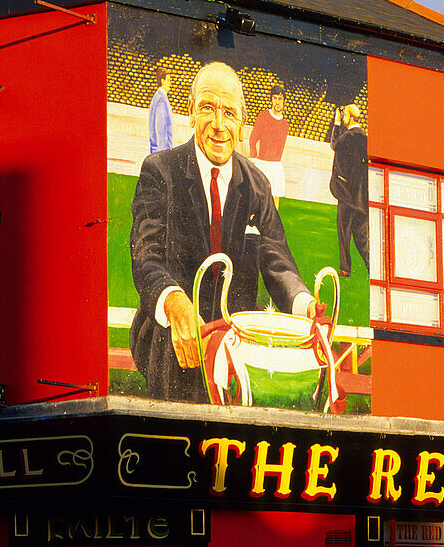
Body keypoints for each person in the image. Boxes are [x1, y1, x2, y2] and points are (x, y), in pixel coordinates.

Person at [129, 62, 314, 402]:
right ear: (190, 112)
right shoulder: (159, 171)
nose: (218, 124)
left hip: (236, 347)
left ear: (243, 124)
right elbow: (146, 256)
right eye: (207, 108)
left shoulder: (258, 184)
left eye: (229, 113)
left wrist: (304, 303)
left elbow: (275, 257)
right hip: (174, 341)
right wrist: (173, 301)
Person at [328, 104, 370, 277]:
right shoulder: (364, 137)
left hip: (346, 194)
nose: (343, 117)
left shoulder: (349, 136)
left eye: (344, 114)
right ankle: (372, 267)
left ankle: (345, 268)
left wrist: (336, 124)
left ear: (350, 117)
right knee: (361, 237)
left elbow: (334, 144)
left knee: (343, 232)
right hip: (361, 197)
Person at [248, 85, 290, 202]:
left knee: (274, 201)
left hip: (276, 166)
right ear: (271, 100)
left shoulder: (285, 125)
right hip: (262, 164)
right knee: (257, 200)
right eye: (275, 98)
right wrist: (254, 159)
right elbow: (253, 139)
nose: (277, 102)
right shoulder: (263, 116)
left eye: (280, 99)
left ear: (284, 101)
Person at [148, 67, 175, 154]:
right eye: (168, 80)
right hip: (162, 150)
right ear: (162, 81)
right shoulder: (161, 99)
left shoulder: (158, 96)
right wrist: (164, 153)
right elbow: (161, 129)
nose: (170, 83)